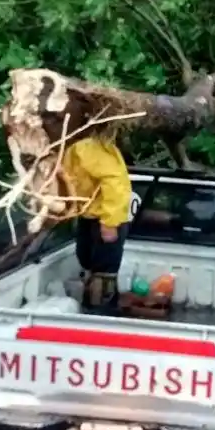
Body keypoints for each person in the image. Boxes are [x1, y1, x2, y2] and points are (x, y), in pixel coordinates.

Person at [60, 133, 132, 313]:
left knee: (103, 272)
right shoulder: (70, 147)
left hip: (105, 218)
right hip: (89, 215)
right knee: (87, 260)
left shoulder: (90, 147)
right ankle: (94, 307)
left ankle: (100, 316)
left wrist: (110, 222)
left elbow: (115, 183)